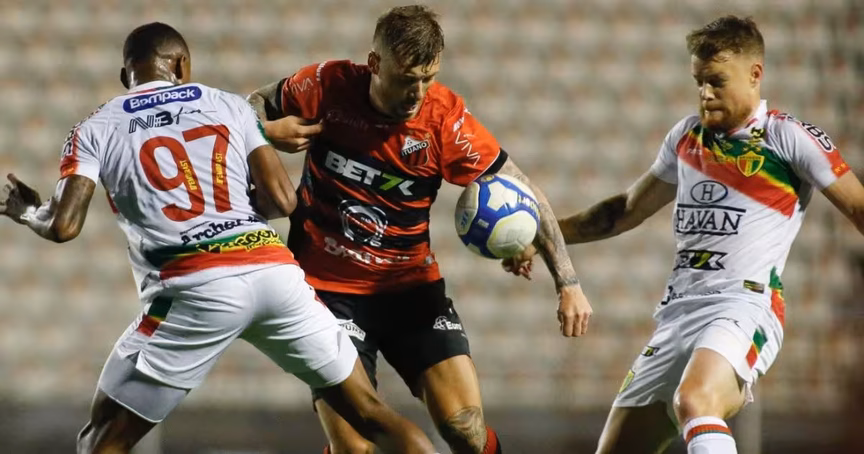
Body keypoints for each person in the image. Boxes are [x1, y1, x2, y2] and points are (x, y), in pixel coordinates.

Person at [0, 22, 437, 454]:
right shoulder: (228, 104)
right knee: (370, 414)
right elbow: (283, 200)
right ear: (181, 65)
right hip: (274, 275)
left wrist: (27, 213)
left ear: (125, 76)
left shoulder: (95, 126)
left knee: (100, 441)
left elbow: (63, 226)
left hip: (194, 286)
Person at [505, 15, 864, 454]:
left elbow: (858, 207)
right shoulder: (686, 138)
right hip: (677, 314)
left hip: (744, 305)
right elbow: (624, 211)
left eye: (716, 81)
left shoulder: (786, 138)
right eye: (699, 81)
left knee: (696, 400)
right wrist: (543, 236)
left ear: (755, 74)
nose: (705, 93)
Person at [247, 5, 593, 454]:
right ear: (375, 64)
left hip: (409, 290)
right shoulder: (327, 85)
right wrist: (265, 132)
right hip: (326, 293)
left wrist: (568, 283)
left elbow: (524, 189)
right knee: (355, 449)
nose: (417, 93)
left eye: (428, 79)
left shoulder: (444, 119)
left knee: (466, 430)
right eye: (407, 79)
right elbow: (250, 105)